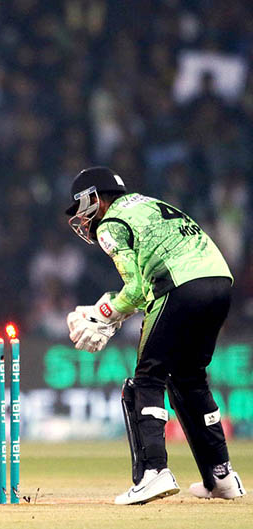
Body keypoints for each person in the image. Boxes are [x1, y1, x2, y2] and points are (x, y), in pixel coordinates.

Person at [64, 166, 246, 505]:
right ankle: (221, 476)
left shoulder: (110, 224)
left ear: (94, 198)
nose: (81, 218)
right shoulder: (147, 204)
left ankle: (152, 473)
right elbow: (144, 287)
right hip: (220, 281)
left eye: (80, 208)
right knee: (190, 379)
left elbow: (135, 289)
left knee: (147, 379)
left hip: (180, 287)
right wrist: (116, 312)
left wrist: (103, 315)